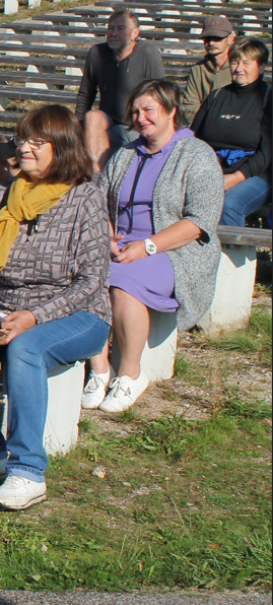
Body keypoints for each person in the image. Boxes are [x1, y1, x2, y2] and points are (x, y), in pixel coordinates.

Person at [0, 105, 111, 511]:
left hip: (77, 314)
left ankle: (29, 470)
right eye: (23, 140)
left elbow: (92, 280)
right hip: (7, 306)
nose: (25, 148)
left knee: (27, 348)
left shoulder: (84, 197)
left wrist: (35, 317)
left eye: (37, 142)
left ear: (62, 147)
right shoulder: (5, 192)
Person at [85, 81, 223, 413]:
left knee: (124, 283)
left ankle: (131, 374)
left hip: (174, 250)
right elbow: (98, 201)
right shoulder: (126, 154)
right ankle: (100, 370)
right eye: (135, 111)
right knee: (86, 275)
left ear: (171, 110)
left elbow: (201, 220)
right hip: (122, 246)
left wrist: (146, 246)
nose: (140, 117)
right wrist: (107, 236)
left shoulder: (196, 155)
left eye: (148, 109)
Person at [191, 36, 271, 227]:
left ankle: (235, 254)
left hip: (256, 174)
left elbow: (268, 152)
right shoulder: (217, 96)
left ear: (260, 67)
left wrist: (236, 177)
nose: (239, 68)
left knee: (229, 205)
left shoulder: (268, 99)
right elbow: (193, 138)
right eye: (235, 61)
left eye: (246, 63)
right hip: (213, 170)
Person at [76, 9, 166, 168]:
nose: (114, 33)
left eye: (121, 28)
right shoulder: (97, 53)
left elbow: (161, 95)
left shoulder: (148, 53)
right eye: (111, 28)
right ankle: (95, 180)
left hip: (138, 123)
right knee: (92, 117)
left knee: (116, 137)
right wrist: (76, 128)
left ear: (135, 33)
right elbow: (85, 94)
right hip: (108, 121)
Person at [183, 16, 236, 118]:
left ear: (230, 39)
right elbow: (189, 108)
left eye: (217, 38)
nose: (211, 43)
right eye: (207, 38)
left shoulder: (239, 68)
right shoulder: (197, 70)